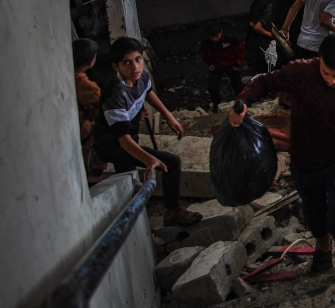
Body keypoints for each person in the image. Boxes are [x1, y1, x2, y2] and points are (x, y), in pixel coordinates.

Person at [229, 33, 335, 278]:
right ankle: (324, 248)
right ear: (319, 61)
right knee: (314, 213)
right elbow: (265, 82)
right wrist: (242, 102)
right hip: (305, 160)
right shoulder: (300, 72)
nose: (331, 81)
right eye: (327, 73)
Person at [94, 37, 202, 225]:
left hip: (130, 136)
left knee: (127, 178)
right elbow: (123, 140)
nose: (135, 66)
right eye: (127, 62)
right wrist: (149, 159)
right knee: (171, 163)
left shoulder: (141, 75)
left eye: (138, 59)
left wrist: (168, 115)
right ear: (116, 67)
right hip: (113, 144)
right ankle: (171, 211)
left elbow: (148, 92)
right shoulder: (114, 95)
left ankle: (137, 215)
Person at [73, 38, 107, 184]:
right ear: (92, 61)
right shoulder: (86, 85)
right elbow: (104, 104)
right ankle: (95, 172)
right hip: (82, 127)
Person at [199, 26, 246, 113]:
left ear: (221, 31)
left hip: (231, 65)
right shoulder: (206, 42)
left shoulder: (230, 38)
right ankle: (217, 106)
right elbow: (203, 53)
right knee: (212, 87)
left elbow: (241, 50)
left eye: (216, 36)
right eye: (212, 37)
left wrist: (237, 64)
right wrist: (209, 64)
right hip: (217, 66)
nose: (215, 39)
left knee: (237, 85)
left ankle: (242, 103)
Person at [246, 0, 274, 75]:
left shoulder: (268, 1)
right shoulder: (261, 2)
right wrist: (271, 35)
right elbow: (253, 24)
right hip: (257, 45)